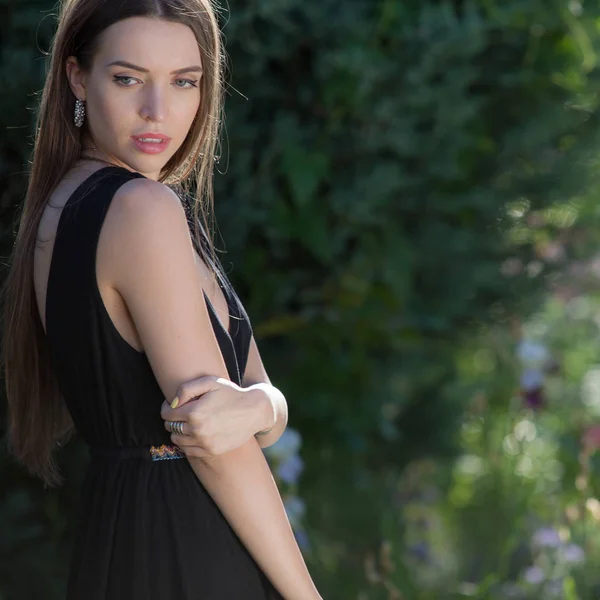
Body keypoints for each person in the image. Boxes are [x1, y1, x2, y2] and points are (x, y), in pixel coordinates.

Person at [1, 0, 322, 599]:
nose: (158, 111)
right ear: (77, 76)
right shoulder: (141, 210)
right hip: (185, 540)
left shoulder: (68, 205)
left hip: (121, 533)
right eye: (128, 78)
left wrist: (262, 409)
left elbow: (250, 397)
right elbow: (216, 450)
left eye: (184, 82)